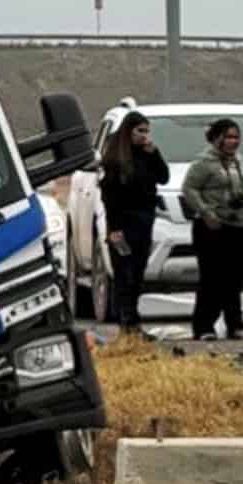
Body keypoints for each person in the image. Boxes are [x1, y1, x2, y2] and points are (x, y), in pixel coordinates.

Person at [180, 117, 243, 341]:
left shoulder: (239, 161)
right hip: (211, 228)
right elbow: (189, 189)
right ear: (217, 139)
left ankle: (235, 323)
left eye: (236, 137)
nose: (233, 142)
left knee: (234, 278)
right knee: (212, 278)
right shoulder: (203, 162)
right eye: (229, 137)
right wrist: (206, 212)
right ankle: (204, 326)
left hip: (237, 226)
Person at [97, 111, 169, 337]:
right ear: (129, 132)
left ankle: (133, 322)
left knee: (137, 273)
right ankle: (126, 323)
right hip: (123, 223)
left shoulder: (146, 155)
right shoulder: (115, 160)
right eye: (140, 131)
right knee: (124, 274)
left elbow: (163, 177)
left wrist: (155, 153)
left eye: (147, 131)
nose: (144, 136)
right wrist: (114, 229)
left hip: (143, 221)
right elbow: (110, 197)